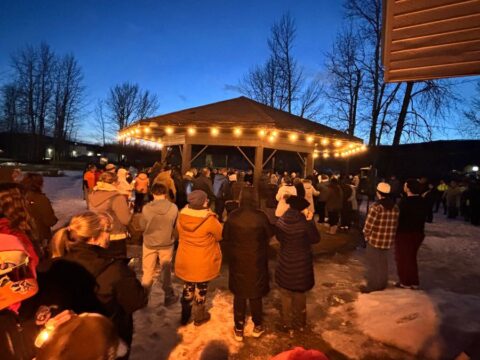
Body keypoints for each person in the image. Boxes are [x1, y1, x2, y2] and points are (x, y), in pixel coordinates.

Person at [51, 211, 148, 355]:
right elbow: (137, 301)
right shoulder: (115, 269)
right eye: (107, 231)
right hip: (108, 340)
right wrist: (130, 276)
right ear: (94, 238)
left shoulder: (55, 264)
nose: (109, 235)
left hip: (71, 341)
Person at [222, 187, 273, 341]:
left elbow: (225, 236)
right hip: (256, 258)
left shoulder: (233, 216)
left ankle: (239, 327)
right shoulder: (261, 216)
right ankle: (257, 325)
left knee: (240, 294)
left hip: (238, 259)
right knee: (255, 294)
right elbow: (269, 233)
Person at [175, 190, 223, 326]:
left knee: (188, 287)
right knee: (201, 289)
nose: (207, 201)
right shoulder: (209, 219)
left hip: (185, 258)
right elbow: (220, 235)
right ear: (202, 202)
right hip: (203, 259)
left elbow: (178, 233)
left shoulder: (181, 216)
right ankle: (198, 317)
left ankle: (184, 316)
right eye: (206, 199)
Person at [275, 195, 319, 334]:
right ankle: (299, 323)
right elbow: (315, 238)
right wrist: (311, 220)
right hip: (301, 263)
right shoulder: (304, 224)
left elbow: (279, 237)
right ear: (302, 209)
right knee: (299, 293)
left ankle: (287, 323)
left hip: (285, 260)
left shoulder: (281, 221)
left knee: (285, 294)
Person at [139, 183, 179, 306]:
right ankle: (168, 295)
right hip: (166, 242)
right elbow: (175, 225)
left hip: (149, 242)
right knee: (165, 270)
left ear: (152, 193)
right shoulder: (173, 207)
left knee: (147, 271)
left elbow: (141, 226)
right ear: (165, 193)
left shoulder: (146, 208)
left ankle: (144, 298)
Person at [361, 183, 399, 293]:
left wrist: (366, 236)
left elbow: (368, 226)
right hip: (387, 240)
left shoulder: (376, 207)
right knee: (383, 263)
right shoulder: (395, 207)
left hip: (375, 240)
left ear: (378, 193)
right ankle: (382, 283)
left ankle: (372, 286)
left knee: (373, 264)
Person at [89, 172, 132, 257]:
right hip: (115, 236)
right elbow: (125, 220)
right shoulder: (117, 198)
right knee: (117, 266)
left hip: (96, 235)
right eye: (118, 182)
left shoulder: (92, 195)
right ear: (113, 183)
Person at [395, 179, 428, 289]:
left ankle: (405, 281)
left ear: (408, 188)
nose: (404, 187)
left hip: (405, 233)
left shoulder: (405, 202)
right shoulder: (422, 201)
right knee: (411, 257)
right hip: (418, 233)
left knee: (403, 258)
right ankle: (414, 281)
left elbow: (398, 218)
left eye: (405, 185)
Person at [0, 183, 39, 269]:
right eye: (25, 200)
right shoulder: (16, 236)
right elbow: (32, 269)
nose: (29, 203)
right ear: (17, 205)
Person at [21, 173, 57, 255]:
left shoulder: (17, 197)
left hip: (21, 238)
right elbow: (50, 221)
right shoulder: (40, 199)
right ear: (39, 184)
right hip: (39, 239)